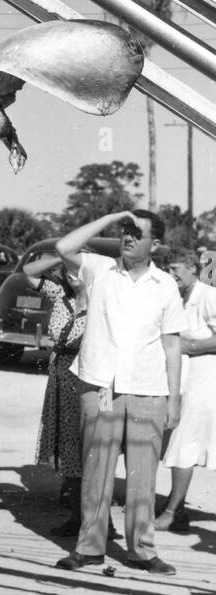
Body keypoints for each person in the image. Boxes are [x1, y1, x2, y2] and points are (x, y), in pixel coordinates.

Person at [53, 209, 186, 574]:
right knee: (96, 472)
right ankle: (90, 547)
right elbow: (64, 246)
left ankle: (142, 550)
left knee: (143, 478)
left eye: (137, 233)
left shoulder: (166, 285)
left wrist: (174, 398)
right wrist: (113, 215)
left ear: (154, 244)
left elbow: (172, 344)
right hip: (100, 386)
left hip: (148, 390)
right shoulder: (99, 270)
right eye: (124, 231)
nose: (127, 238)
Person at [155, 247, 216, 530]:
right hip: (183, 378)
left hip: (205, 379)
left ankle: (173, 511)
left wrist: (188, 347)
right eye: (168, 269)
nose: (170, 274)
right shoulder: (177, 298)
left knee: (185, 440)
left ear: (193, 268)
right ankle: (173, 506)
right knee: (179, 440)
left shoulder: (209, 296)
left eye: (175, 269)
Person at [25, 253, 86, 533]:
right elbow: (28, 272)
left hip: (87, 376)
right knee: (69, 448)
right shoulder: (59, 292)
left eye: (79, 269)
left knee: (90, 449)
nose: (73, 274)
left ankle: (95, 520)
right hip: (61, 375)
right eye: (69, 269)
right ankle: (78, 516)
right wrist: (60, 254)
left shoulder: (103, 298)